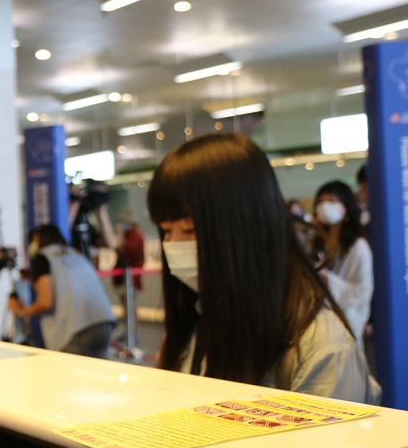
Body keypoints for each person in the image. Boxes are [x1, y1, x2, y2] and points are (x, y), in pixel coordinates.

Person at [147, 133, 379, 403]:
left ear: (245, 227)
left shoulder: (320, 350)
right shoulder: (197, 319)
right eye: (165, 232)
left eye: (189, 230)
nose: (172, 245)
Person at [7, 224, 116, 358]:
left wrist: (21, 311)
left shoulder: (43, 257)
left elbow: (45, 302)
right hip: (103, 323)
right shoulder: (74, 253)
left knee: (67, 377)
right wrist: (32, 275)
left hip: (76, 329)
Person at [312, 180, 373, 348]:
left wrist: (327, 277)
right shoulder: (318, 242)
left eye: (331, 200)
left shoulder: (358, 247)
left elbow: (361, 292)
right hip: (319, 330)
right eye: (321, 201)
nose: (325, 206)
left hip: (346, 330)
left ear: (346, 206)